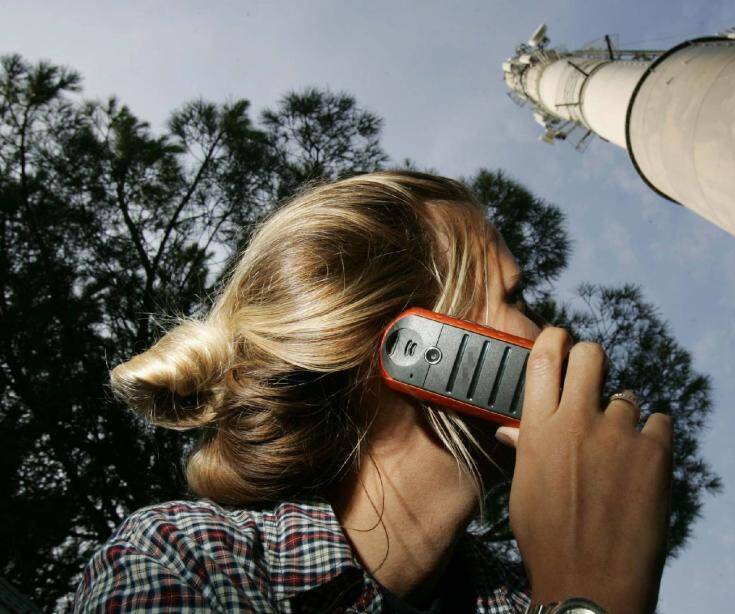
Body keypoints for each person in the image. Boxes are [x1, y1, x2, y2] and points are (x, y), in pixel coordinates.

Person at [73, 171, 673, 613]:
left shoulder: (515, 600)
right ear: (413, 347)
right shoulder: (189, 560)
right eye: (515, 298)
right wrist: (587, 596)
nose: (556, 338)